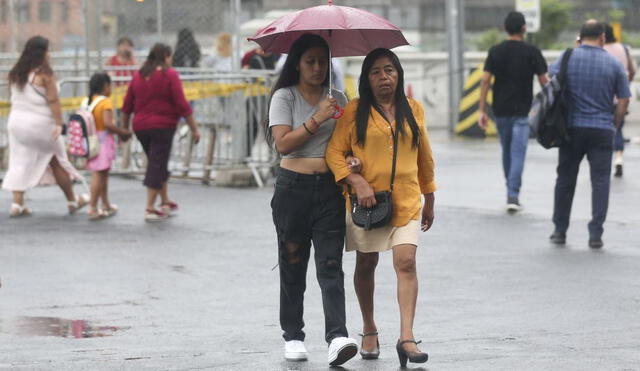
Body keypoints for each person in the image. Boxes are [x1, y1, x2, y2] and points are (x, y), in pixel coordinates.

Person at [326, 48, 436, 367]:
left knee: (406, 261)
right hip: (368, 204)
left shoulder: (413, 109)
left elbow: (424, 157)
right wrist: (355, 181)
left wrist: (430, 198)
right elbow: (334, 152)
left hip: (407, 198)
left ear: (398, 74)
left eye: (389, 70)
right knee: (366, 263)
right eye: (375, 72)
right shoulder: (355, 111)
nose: (383, 77)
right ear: (366, 79)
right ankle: (369, 327)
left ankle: (407, 337)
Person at [265, 33, 358, 366]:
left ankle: (338, 336)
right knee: (292, 263)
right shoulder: (284, 97)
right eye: (310, 61)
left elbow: (348, 145)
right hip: (292, 189)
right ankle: (293, 335)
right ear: (298, 64)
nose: (318, 68)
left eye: (323, 61)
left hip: (330, 190)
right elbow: (284, 144)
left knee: (331, 265)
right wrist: (318, 116)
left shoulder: (340, 98)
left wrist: (352, 162)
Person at [548, 21, 631, 249]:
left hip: (571, 128)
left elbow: (549, 81)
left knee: (565, 179)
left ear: (580, 37)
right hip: (603, 129)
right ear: (602, 38)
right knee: (601, 182)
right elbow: (624, 98)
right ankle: (595, 234)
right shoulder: (613, 64)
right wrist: (615, 122)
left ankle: (560, 230)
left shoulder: (568, 58)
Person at [2, 36, 89, 217]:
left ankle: (17, 204)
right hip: (40, 124)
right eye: (48, 50)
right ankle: (72, 201)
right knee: (57, 159)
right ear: (42, 52)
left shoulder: (16, 72)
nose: (50, 53)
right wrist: (59, 123)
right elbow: (53, 100)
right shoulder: (44, 74)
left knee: (19, 161)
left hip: (16, 124)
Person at [121, 43, 201, 222]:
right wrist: (194, 128)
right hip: (163, 126)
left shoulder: (139, 75)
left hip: (141, 127)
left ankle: (165, 200)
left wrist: (124, 128)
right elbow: (181, 104)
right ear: (165, 56)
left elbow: (127, 105)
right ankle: (149, 207)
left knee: (157, 161)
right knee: (156, 164)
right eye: (170, 56)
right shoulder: (169, 75)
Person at [479, 11, 548, 213]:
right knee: (518, 152)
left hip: (500, 110)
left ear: (505, 28)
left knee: (507, 151)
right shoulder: (532, 51)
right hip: (523, 111)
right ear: (524, 28)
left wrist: (482, 109)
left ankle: (510, 189)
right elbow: (545, 82)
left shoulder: (495, 51)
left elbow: (485, 80)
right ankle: (513, 194)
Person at [84, 73, 132, 220]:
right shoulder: (105, 103)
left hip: (90, 140)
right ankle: (92, 207)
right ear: (105, 86)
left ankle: (105, 204)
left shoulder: (87, 101)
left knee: (103, 174)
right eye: (110, 85)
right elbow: (107, 124)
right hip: (103, 142)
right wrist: (122, 132)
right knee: (98, 174)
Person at [603, 23, 636, 178]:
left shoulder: (599, 50)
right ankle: (619, 158)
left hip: (602, 98)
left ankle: (604, 161)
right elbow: (632, 70)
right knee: (618, 129)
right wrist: (625, 85)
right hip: (620, 99)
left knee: (603, 130)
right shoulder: (623, 48)